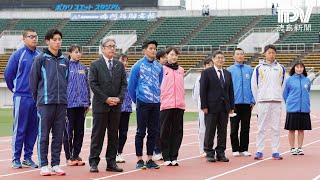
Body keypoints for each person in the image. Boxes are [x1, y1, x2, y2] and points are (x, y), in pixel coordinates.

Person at [30, 29, 69, 176]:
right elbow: (33, 83)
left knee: (58, 135)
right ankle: (44, 165)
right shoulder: (40, 59)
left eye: (59, 39)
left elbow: (66, 81)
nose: (57, 42)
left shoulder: (65, 61)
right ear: (47, 41)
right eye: (54, 39)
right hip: (45, 103)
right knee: (44, 135)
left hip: (61, 103)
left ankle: (55, 164)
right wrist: (39, 100)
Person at [88, 36, 127, 173]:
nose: (112, 48)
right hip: (101, 106)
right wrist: (106, 99)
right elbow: (93, 84)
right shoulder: (95, 65)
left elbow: (124, 84)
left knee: (113, 136)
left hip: (116, 107)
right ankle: (94, 162)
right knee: (97, 135)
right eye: (109, 46)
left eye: (114, 46)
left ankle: (111, 162)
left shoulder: (119, 65)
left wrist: (118, 98)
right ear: (103, 48)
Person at [4, 29, 41, 169]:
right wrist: (15, 90)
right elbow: (8, 74)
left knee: (33, 129)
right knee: (20, 128)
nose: (34, 39)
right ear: (24, 38)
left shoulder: (40, 55)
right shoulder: (18, 55)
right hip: (22, 97)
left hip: (36, 98)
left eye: (36, 36)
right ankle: (15, 158)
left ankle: (27, 157)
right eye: (31, 37)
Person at [128, 40, 163, 170]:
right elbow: (131, 86)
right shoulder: (137, 66)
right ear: (144, 50)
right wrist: (137, 100)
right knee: (140, 131)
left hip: (155, 102)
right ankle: (139, 159)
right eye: (151, 48)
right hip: (142, 102)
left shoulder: (159, 67)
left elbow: (159, 82)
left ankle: (149, 159)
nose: (153, 51)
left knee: (153, 131)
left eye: (155, 48)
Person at [251, 44, 287, 160]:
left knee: (276, 127)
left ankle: (275, 150)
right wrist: (259, 99)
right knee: (261, 127)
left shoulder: (281, 68)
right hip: (263, 101)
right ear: (265, 54)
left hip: (276, 101)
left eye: (273, 52)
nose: (271, 54)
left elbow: (283, 85)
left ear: (275, 54)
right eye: (269, 52)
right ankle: (259, 150)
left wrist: (278, 96)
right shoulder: (258, 68)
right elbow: (254, 86)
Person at [200, 50, 234, 163]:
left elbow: (230, 91)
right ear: (213, 59)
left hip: (224, 107)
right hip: (211, 106)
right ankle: (209, 152)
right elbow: (203, 90)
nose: (220, 60)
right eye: (218, 57)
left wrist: (231, 106)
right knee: (210, 130)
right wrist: (204, 106)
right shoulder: (207, 72)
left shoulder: (227, 73)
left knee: (222, 131)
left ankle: (221, 153)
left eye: (222, 58)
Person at [63, 44, 90, 166]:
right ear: (70, 53)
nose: (78, 54)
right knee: (69, 131)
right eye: (76, 52)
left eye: (79, 52)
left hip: (82, 104)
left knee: (80, 131)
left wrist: (88, 101)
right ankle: (69, 156)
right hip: (69, 105)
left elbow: (87, 85)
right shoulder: (65, 66)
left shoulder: (83, 68)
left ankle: (76, 154)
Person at [227, 48, 255, 157]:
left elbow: (254, 86)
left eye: (241, 54)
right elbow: (227, 88)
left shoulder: (249, 70)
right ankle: (235, 149)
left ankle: (244, 149)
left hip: (247, 104)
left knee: (245, 127)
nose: (239, 56)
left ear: (244, 56)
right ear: (233, 57)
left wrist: (253, 100)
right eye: (237, 54)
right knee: (234, 128)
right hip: (234, 104)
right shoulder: (229, 70)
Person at [160, 47, 185, 166]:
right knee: (165, 131)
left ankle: (174, 156)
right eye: (171, 54)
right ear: (166, 56)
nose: (174, 57)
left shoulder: (181, 70)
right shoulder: (162, 69)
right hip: (165, 105)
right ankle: (166, 156)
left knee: (177, 131)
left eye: (176, 55)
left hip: (179, 105)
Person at [283, 61, 312, 155]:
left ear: (303, 69)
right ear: (294, 68)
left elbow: (307, 91)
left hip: (304, 108)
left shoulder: (307, 80)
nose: (299, 69)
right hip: (292, 108)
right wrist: (289, 103)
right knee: (291, 129)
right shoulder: (289, 80)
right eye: (297, 67)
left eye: (301, 67)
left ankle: (300, 147)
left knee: (301, 129)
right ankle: (292, 148)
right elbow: (285, 94)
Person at [192, 55, 212, 157]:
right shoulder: (200, 78)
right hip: (203, 107)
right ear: (204, 66)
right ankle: (202, 149)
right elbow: (195, 94)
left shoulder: (216, 76)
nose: (210, 66)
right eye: (208, 65)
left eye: (211, 65)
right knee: (202, 129)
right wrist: (200, 104)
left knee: (212, 128)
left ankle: (211, 148)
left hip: (213, 107)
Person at [116, 53, 133, 163]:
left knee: (123, 132)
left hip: (126, 108)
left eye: (126, 61)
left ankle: (119, 152)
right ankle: (113, 152)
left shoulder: (129, 75)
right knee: (113, 132)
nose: (125, 63)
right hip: (115, 108)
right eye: (123, 60)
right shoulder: (113, 74)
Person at [153, 50, 167, 161]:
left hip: (166, 103)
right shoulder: (156, 69)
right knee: (156, 128)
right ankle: (156, 150)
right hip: (156, 102)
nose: (166, 59)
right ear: (158, 59)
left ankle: (161, 149)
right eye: (164, 57)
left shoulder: (167, 69)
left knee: (164, 128)